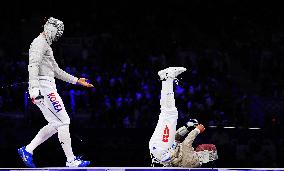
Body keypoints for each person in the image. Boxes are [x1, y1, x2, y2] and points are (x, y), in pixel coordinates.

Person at [18, 17, 93, 167]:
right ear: (51, 29)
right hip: (43, 88)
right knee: (64, 121)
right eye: (58, 31)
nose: (58, 35)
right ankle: (71, 160)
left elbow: (56, 71)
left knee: (55, 123)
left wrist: (77, 80)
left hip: (47, 87)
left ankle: (28, 150)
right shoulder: (39, 43)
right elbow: (33, 65)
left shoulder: (45, 44)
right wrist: (34, 89)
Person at [149, 67, 218, 167]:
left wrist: (197, 130)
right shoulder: (191, 156)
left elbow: (186, 144)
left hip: (163, 149)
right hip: (161, 148)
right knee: (167, 113)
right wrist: (186, 127)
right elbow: (176, 138)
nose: (205, 147)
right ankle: (165, 79)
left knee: (169, 113)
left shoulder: (194, 162)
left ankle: (167, 78)